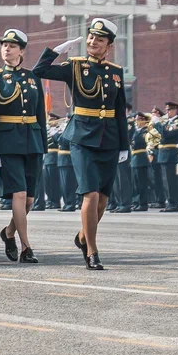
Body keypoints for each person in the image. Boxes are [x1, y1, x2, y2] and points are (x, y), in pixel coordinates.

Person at [32, 18, 129, 270]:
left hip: (109, 139)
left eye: (100, 39)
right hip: (82, 138)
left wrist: (124, 146)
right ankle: (92, 251)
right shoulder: (74, 67)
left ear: (109, 45)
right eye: (90, 37)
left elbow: (120, 112)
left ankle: (83, 236)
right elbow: (38, 71)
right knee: (91, 193)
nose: (93, 41)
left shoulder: (115, 71)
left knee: (103, 201)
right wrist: (56, 51)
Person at [0, 28, 45, 264]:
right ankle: (25, 246)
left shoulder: (33, 78)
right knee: (19, 195)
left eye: (12, 45)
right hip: (8, 142)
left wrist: (43, 145)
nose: (7, 48)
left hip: (32, 140)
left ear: (21, 50)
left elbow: (40, 114)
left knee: (30, 199)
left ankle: (9, 232)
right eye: (4, 45)